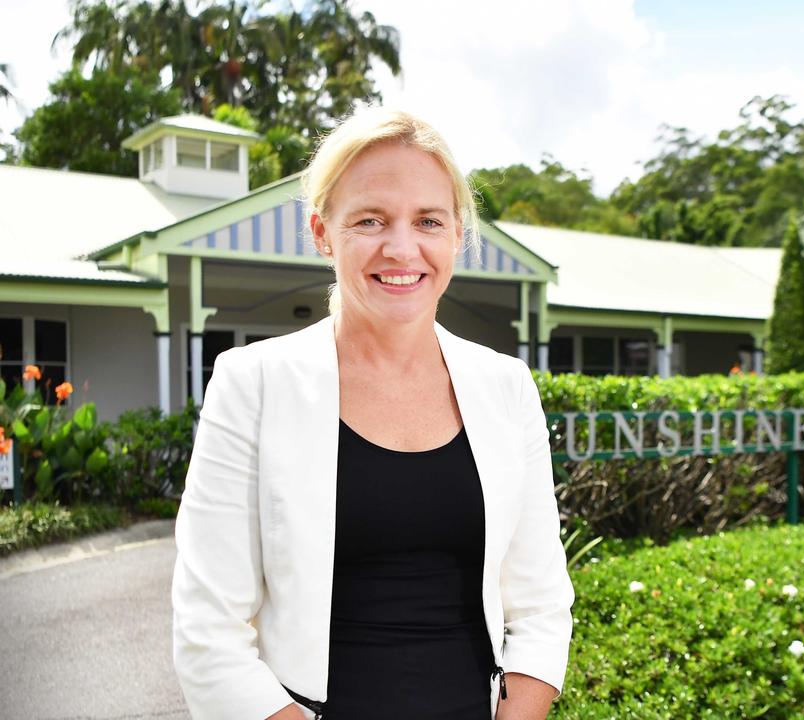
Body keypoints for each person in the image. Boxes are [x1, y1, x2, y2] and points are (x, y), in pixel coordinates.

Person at [171, 106, 575, 720]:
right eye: (370, 219)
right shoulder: (252, 383)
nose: (402, 247)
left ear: (456, 234)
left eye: (428, 221)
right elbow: (208, 631)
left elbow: (542, 607)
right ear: (322, 232)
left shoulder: (506, 387)